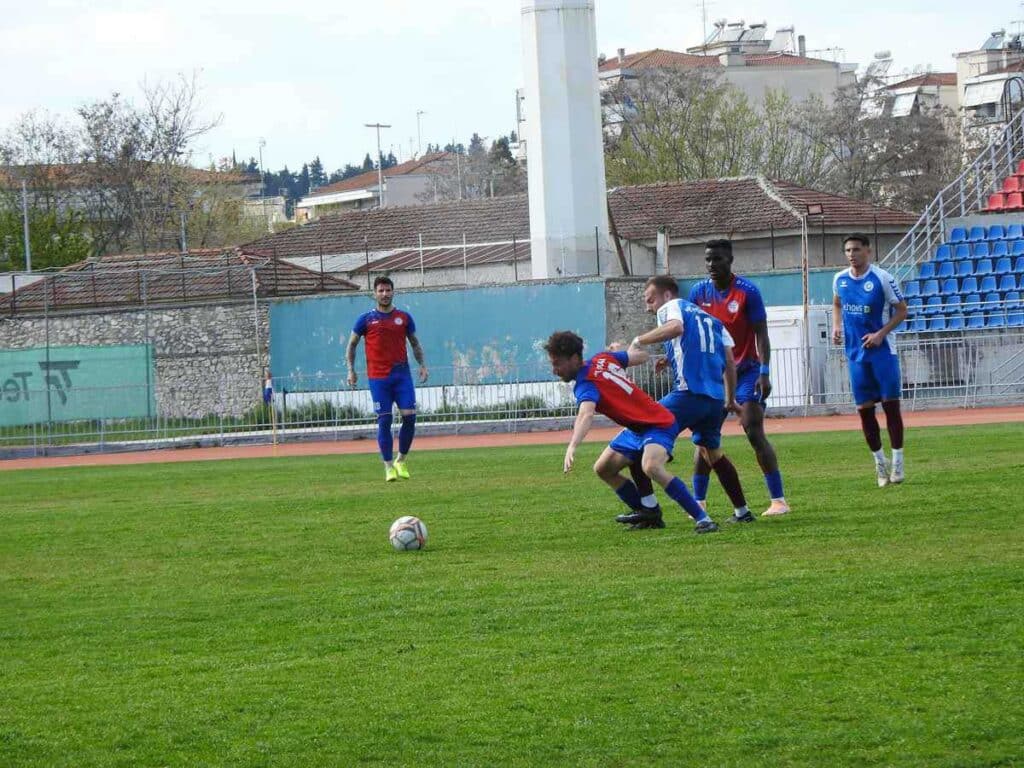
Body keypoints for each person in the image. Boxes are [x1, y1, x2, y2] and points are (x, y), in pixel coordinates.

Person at [545, 330, 719, 534]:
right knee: (603, 468)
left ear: (574, 358)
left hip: (657, 423)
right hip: (636, 429)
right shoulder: (603, 358)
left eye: (557, 363)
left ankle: (703, 519)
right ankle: (649, 512)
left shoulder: (586, 384)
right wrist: (629, 348)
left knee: (651, 466)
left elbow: (586, 414)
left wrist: (573, 445)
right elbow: (642, 357)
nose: (554, 370)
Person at [615, 275, 753, 530]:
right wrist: (730, 398)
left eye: (650, 300)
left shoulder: (672, 306)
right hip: (714, 400)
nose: (649, 307)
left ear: (667, 295)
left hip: (687, 394)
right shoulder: (713, 321)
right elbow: (729, 362)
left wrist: (638, 340)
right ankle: (742, 511)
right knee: (713, 453)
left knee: (639, 430)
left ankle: (648, 509)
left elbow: (676, 328)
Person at [688, 239, 791, 517]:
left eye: (718, 259)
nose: (712, 264)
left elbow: (762, 335)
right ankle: (698, 502)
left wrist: (764, 372)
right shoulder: (698, 292)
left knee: (753, 428)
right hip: (713, 376)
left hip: (746, 372)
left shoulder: (747, 292)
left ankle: (778, 500)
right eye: (708, 259)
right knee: (705, 438)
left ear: (730, 260)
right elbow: (688, 331)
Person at [832, 234, 908, 486]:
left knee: (891, 407)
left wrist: (880, 334)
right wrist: (836, 327)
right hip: (856, 355)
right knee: (864, 412)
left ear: (868, 251)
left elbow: (902, 311)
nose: (851, 254)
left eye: (856, 249)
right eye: (847, 250)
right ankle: (880, 465)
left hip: (883, 353)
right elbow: (837, 304)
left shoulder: (882, 278)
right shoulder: (840, 279)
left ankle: (898, 463)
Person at [346, 276, 429, 482]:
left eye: (388, 290)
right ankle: (388, 466)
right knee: (385, 419)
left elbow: (415, 343)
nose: (385, 294)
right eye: (381, 290)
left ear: (393, 292)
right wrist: (351, 370)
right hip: (378, 378)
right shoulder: (365, 319)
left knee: (410, 417)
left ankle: (401, 460)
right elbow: (352, 345)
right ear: (374, 293)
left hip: (401, 375)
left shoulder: (404, 317)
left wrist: (422, 365)